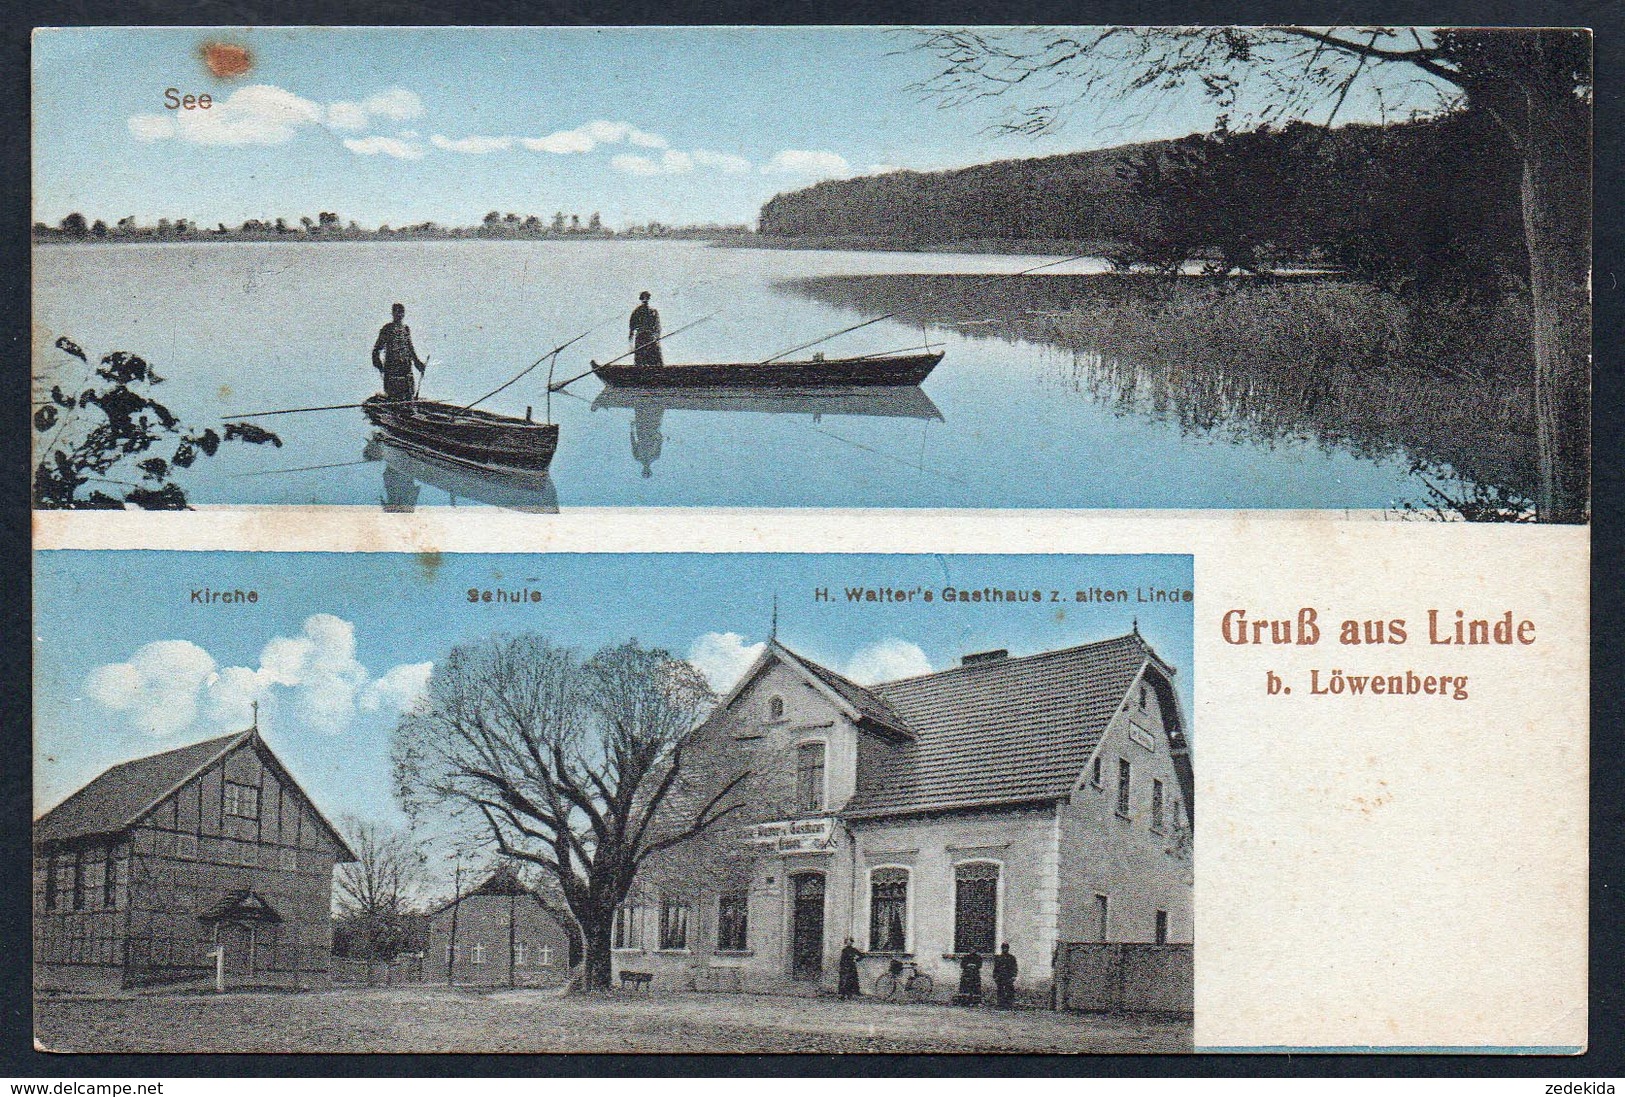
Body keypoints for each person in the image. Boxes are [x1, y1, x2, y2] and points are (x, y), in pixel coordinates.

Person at [372, 303, 425, 401]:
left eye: (401, 312)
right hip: (392, 368)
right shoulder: (387, 329)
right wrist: (377, 362)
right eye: (397, 312)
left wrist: (418, 363)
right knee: (394, 395)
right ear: (393, 313)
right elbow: (377, 349)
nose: (399, 315)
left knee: (409, 393)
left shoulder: (405, 329)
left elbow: (410, 348)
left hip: (406, 367)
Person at [629, 290, 663, 366]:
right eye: (643, 298)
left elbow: (658, 327)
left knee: (655, 359)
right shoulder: (636, 312)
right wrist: (631, 346)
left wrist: (657, 338)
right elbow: (631, 328)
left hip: (651, 338)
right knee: (641, 360)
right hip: (641, 337)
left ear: (648, 298)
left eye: (647, 298)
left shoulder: (653, 311)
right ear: (641, 299)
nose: (645, 300)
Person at [992, 943, 1018, 1009]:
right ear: (1002, 948)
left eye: (1006, 948)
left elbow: (1014, 967)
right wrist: (995, 976)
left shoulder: (1011, 958)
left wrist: (1014, 975)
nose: (1005, 949)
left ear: (1008, 949)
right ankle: (1000, 1004)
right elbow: (996, 968)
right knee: (1000, 990)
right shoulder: (998, 958)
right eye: (1003, 948)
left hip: (1008, 976)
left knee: (1009, 990)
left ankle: (1009, 1004)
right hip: (1000, 976)